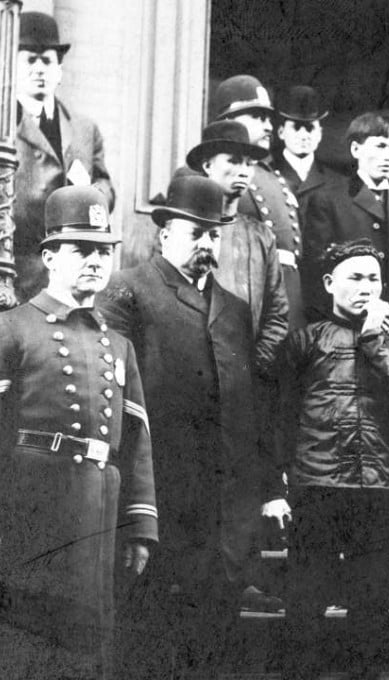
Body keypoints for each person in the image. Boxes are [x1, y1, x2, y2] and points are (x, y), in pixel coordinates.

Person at [98, 175, 287, 677]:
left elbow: (249, 404)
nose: (206, 244)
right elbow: (111, 394)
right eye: (194, 233)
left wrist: (267, 483)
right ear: (165, 234)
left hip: (222, 500)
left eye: (213, 235)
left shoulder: (235, 307)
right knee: (148, 625)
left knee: (212, 630)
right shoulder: (129, 289)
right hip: (156, 489)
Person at [0, 186, 156, 680]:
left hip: (98, 511)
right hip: (29, 509)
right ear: (50, 256)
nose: (96, 260)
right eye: (81, 249)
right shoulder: (7, 330)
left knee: (87, 649)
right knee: (23, 646)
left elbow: (135, 444)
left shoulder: (118, 346)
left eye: (103, 251)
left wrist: (139, 528)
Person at [276, 239, 389, 680]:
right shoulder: (304, 341)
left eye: (373, 279)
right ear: (329, 283)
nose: (366, 288)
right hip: (315, 485)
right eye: (355, 278)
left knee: (371, 599)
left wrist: (377, 341)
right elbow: (280, 416)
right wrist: (276, 485)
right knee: (307, 597)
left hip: (376, 487)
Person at [12, 12, 115, 301]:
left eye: (47, 60)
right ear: (13, 67)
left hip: (70, 277)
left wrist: (88, 194)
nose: (39, 69)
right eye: (30, 60)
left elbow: (106, 188)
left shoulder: (84, 129)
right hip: (14, 274)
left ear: (59, 71)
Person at [303, 112, 389, 332]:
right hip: (347, 332)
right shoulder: (328, 200)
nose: (388, 156)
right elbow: (316, 269)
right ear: (356, 150)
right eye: (380, 146)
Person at [187, 119, 289, 373]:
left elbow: (277, 313)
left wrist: (255, 365)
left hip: (248, 375)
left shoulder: (261, 236)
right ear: (208, 165)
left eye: (248, 163)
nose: (243, 170)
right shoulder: (183, 231)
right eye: (233, 161)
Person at [213, 74, 308, 328]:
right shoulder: (214, 174)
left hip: (287, 301)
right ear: (229, 119)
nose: (268, 126)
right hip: (248, 298)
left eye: (268, 118)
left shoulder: (271, 175)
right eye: (257, 117)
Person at [272, 85, 341, 225]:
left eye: (310, 128)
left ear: (320, 134)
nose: (303, 136)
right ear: (281, 132)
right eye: (296, 128)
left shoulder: (337, 182)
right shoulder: (268, 175)